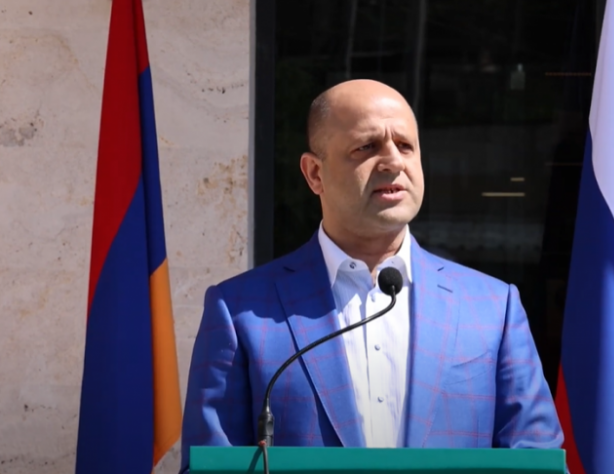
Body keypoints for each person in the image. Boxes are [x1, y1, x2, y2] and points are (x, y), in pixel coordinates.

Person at [179, 79, 563, 472]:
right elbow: (211, 466)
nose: (393, 162)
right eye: (366, 147)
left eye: (406, 145)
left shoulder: (493, 308)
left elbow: (538, 462)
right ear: (314, 173)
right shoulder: (241, 311)